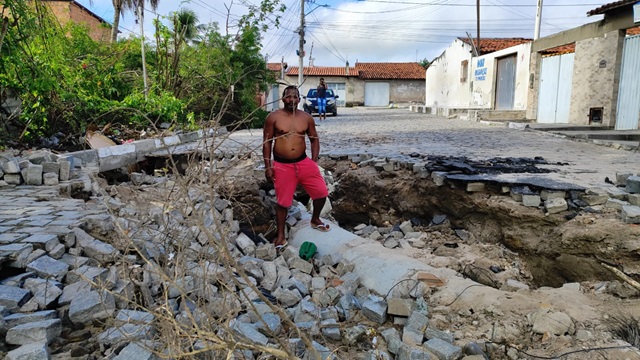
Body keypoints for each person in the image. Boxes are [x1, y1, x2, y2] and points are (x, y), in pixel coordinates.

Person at [263, 85, 331, 250]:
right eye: (288, 96)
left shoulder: (306, 118)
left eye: (295, 97)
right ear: (283, 98)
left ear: (299, 99)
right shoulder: (273, 117)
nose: (292, 100)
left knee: (322, 193)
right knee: (283, 202)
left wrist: (313, 161)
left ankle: (315, 219)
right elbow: (267, 143)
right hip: (282, 165)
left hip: (303, 162)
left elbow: (314, 139)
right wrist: (268, 166)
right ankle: (280, 236)